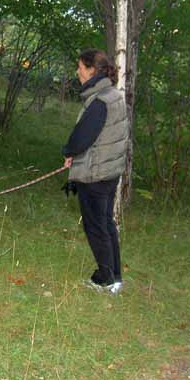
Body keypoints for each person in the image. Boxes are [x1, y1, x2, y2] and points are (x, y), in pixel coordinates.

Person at [62, 49, 128, 295]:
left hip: (97, 174)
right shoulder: (112, 95)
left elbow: (82, 137)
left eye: (80, 66)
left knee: (96, 227)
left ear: (91, 70)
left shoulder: (100, 100)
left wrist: (69, 151)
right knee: (106, 224)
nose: (77, 71)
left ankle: (105, 279)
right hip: (109, 171)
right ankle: (115, 276)